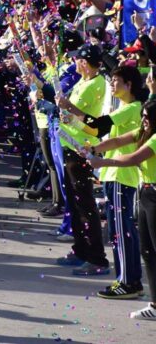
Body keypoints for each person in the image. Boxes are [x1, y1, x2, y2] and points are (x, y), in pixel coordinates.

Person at [65, 64, 145, 292]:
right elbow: (100, 133)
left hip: (121, 174)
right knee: (120, 231)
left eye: (116, 81)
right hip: (113, 173)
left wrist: (72, 110)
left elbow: (98, 126)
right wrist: (93, 146)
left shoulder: (131, 108)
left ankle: (128, 281)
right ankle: (127, 279)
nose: (111, 85)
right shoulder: (126, 107)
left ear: (129, 85)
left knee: (121, 231)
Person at [86, 99, 156, 319]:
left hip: (154, 195)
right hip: (145, 194)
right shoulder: (143, 132)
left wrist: (103, 163)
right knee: (148, 251)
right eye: (143, 115)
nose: (143, 119)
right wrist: (94, 149)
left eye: (147, 116)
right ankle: (155, 305)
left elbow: (134, 158)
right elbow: (116, 141)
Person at [54, 43, 113, 275]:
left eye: (78, 59)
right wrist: (66, 113)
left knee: (85, 205)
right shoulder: (84, 81)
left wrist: (70, 111)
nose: (75, 62)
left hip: (81, 149)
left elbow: (93, 126)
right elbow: (77, 117)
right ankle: (80, 250)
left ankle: (97, 257)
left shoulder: (97, 84)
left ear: (85, 63)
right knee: (75, 203)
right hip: (70, 144)